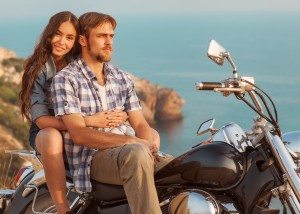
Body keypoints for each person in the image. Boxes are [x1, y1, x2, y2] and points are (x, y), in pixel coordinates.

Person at [51, 12, 163, 214]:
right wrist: (132, 142)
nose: (108, 42)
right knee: (135, 154)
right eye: (101, 36)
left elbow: (140, 125)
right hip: (93, 159)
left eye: (111, 36)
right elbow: (79, 133)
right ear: (83, 40)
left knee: (185, 166)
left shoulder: (122, 78)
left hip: (134, 152)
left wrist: (150, 146)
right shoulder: (66, 79)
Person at [19, 11, 128, 214]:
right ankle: (63, 210)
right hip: (51, 129)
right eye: (57, 34)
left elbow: (106, 94)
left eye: (69, 37)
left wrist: (121, 115)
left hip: (83, 127)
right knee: (52, 138)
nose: (61, 42)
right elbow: (42, 121)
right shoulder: (38, 69)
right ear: (49, 35)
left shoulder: (79, 65)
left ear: (77, 41)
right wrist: (87, 121)